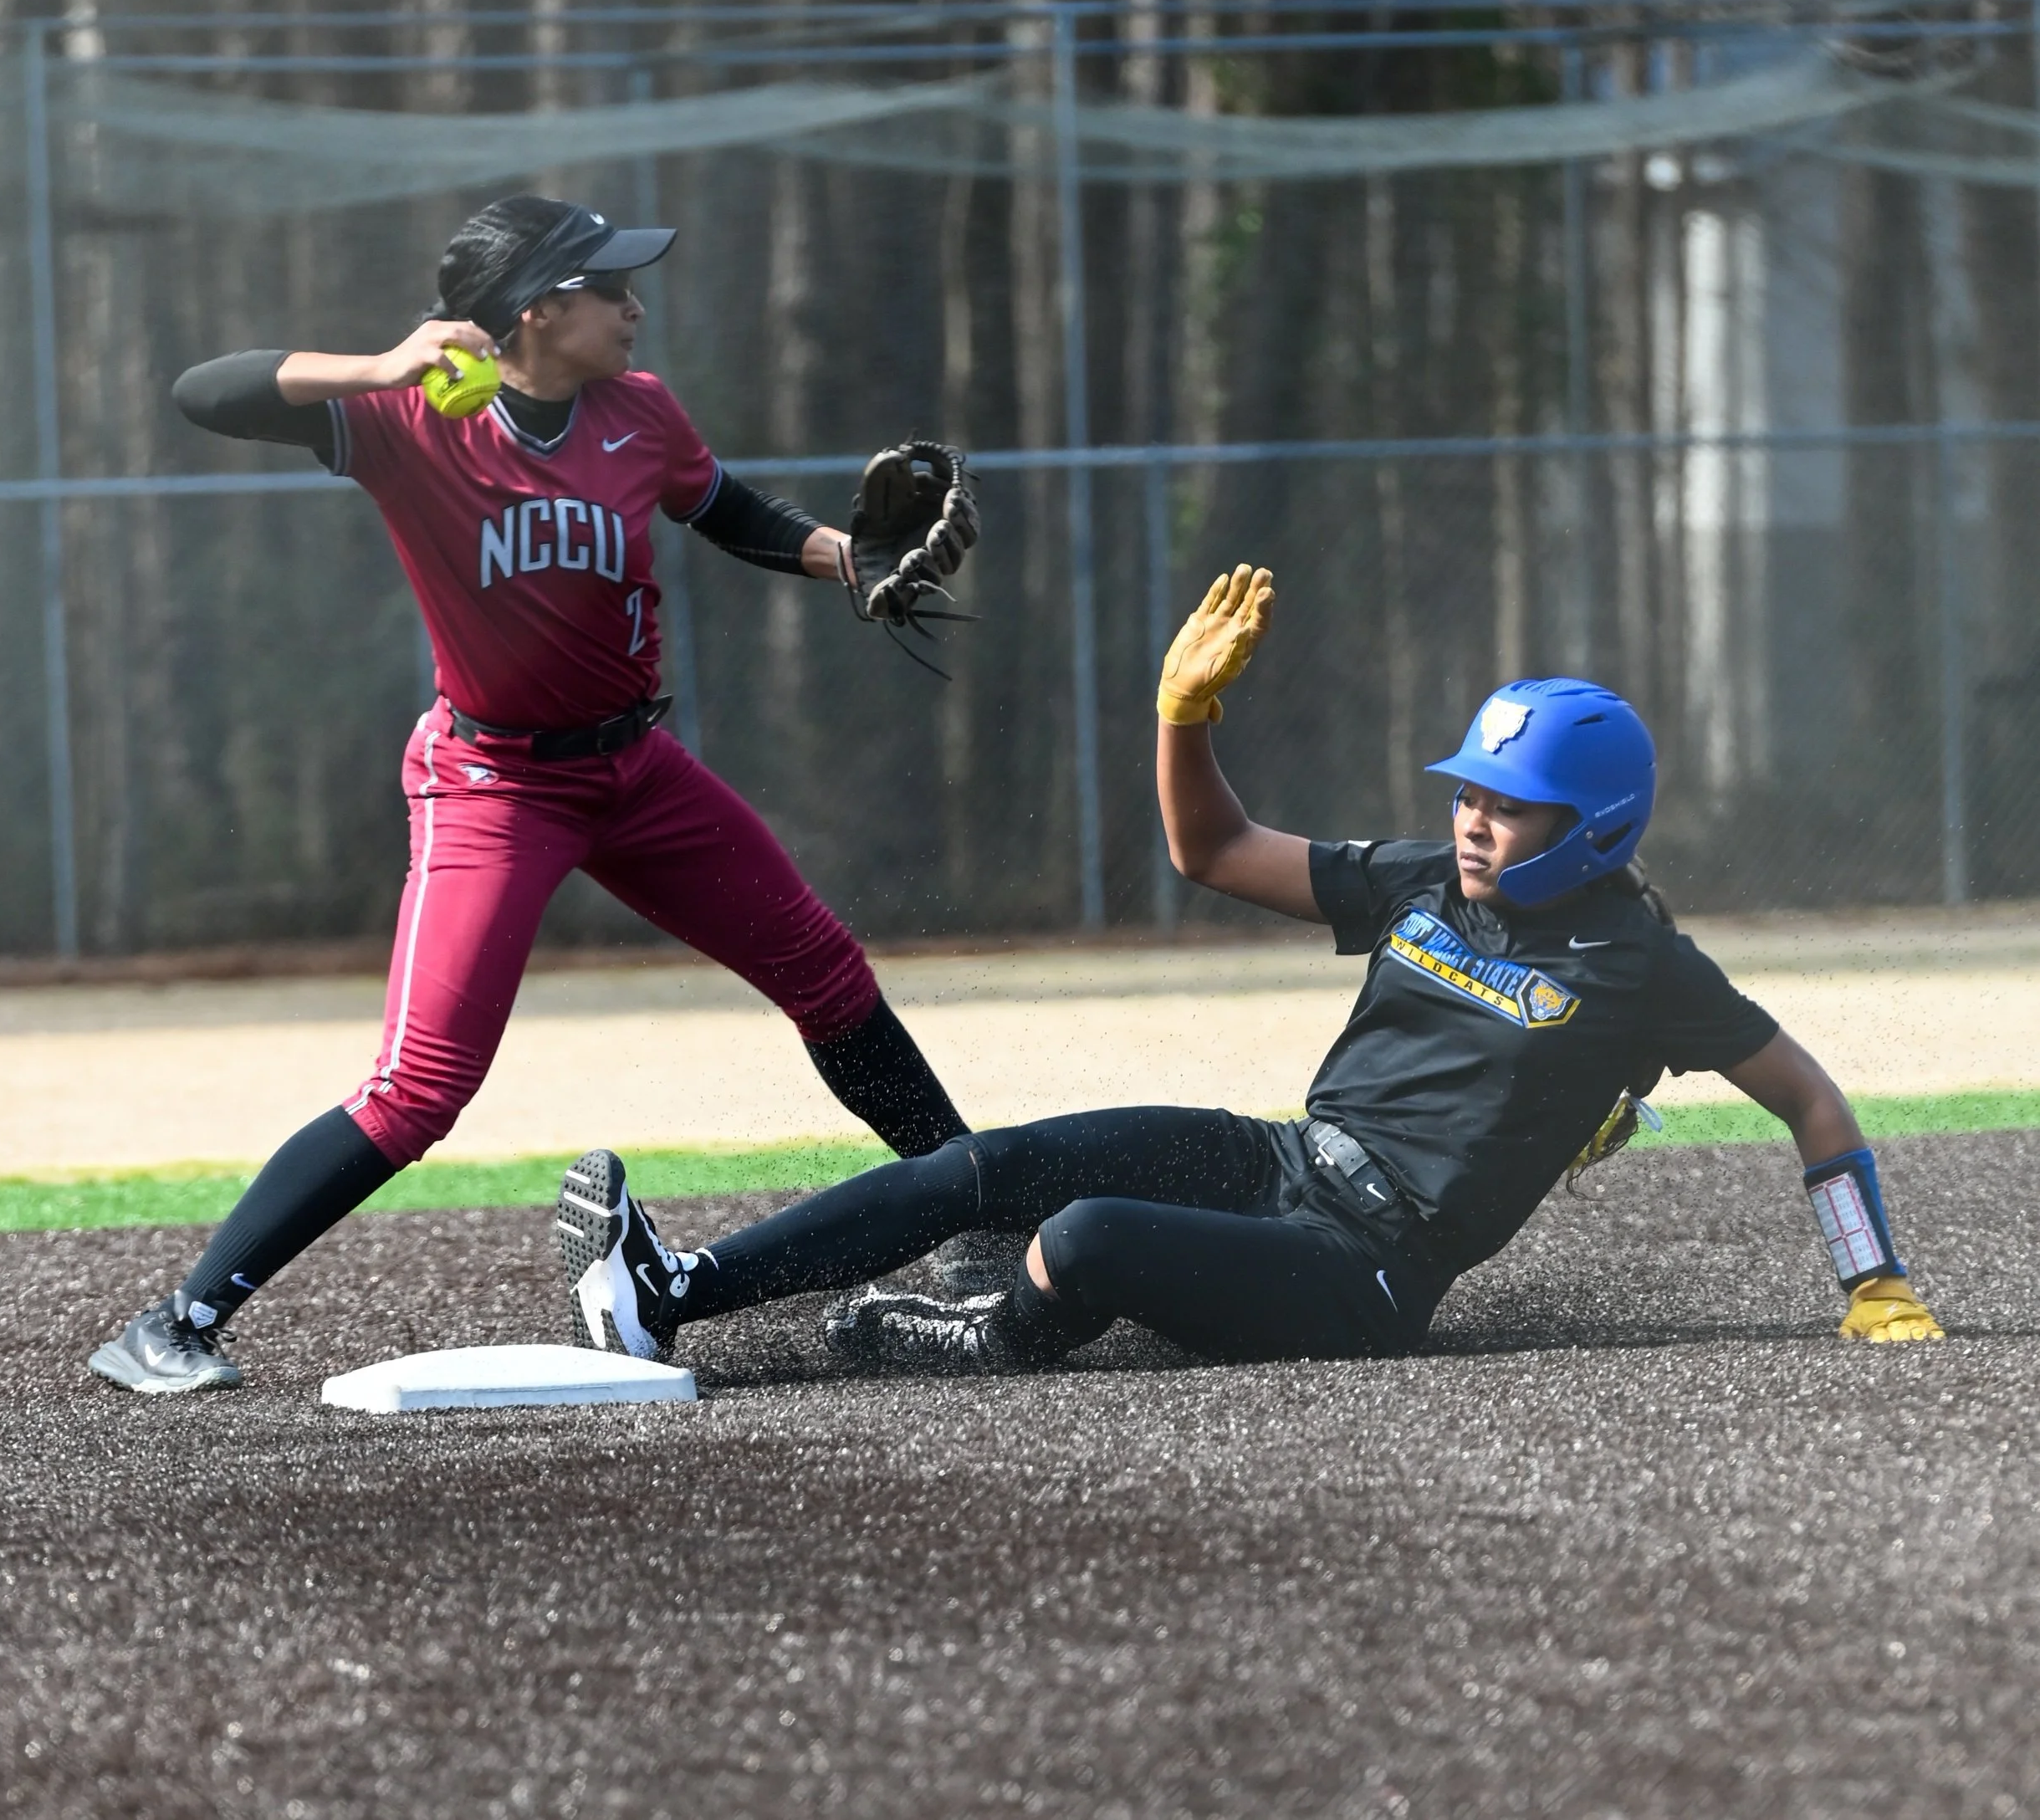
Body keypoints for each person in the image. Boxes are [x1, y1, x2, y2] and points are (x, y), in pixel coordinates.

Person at [548, 564, 1944, 1374]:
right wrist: (1185, 713)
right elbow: (1211, 847)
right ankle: (674, 1289)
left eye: (1504, 803)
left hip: (1372, 1271)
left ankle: (986, 1336)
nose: (1469, 815)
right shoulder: (1419, 876)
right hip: (1288, 1161)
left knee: (1086, 1235)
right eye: (1468, 789)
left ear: (1597, 828)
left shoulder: (1647, 969)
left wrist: (1867, 1275)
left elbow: (1814, 1103)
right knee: (998, 1164)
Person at [90, 194, 975, 1395]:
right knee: (420, 1090)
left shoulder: (639, 411)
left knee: (823, 970)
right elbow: (206, 389)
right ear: (539, 310)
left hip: (634, 769)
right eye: (610, 289)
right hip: (494, 779)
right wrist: (385, 359)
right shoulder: (411, 419)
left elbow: (725, 511)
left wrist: (842, 556)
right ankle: (176, 1319)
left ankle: (974, 1204)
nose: (635, 307)